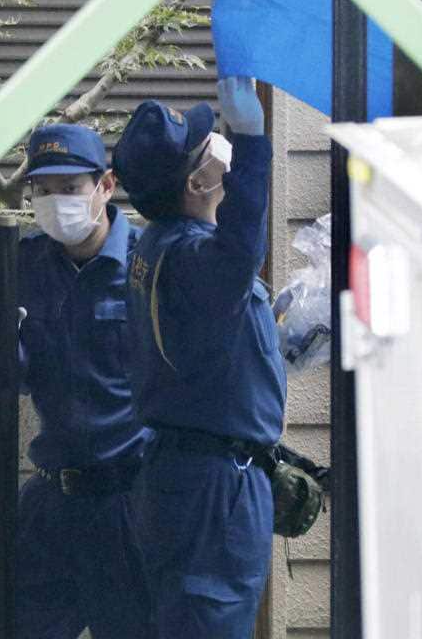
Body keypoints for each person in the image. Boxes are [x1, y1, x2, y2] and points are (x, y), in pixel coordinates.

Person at [112, 77, 287, 639]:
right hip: (216, 487)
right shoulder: (190, 257)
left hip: (183, 473)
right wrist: (253, 142)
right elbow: (238, 252)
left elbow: (207, 343)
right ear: (197, 180)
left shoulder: (159, 246)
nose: (217, 145)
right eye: (207, 145)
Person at [0, 123, 152, 639]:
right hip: (53, 500)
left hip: (129, 501)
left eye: (70, 189)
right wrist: (2, 345)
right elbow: (25, 378)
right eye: (44, 190)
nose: (56, 202)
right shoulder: (25, 263)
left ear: (105, 186)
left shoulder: (147, 264)